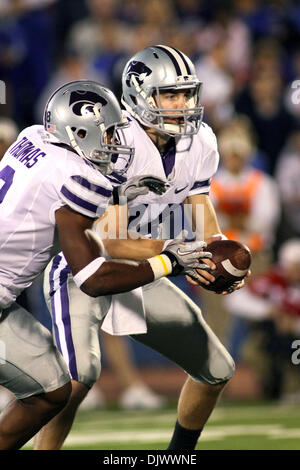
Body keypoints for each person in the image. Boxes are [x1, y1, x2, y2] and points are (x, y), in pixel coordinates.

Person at [35, 45, 244, 451]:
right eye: (171, 94)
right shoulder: (113, 139)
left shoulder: (200, 140)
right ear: (139, 95)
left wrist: (217, 251)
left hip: (151, 271)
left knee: (218, 369)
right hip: (88, 271)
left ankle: (177, 457)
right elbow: (108, 240)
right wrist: (175, 251)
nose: (183, 103)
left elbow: (198, 206)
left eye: (187, 93)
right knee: (76, 382)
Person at [0, 79, 206, 450]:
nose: (115, 142)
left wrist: (114, 192)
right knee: (50, 390)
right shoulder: (77, 177)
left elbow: (48, 190)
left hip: (4, 302)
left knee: (52, 390)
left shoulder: (32, 136)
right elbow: (93, 278)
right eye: (108, 132)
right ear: (78, 132)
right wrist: (168, 262)